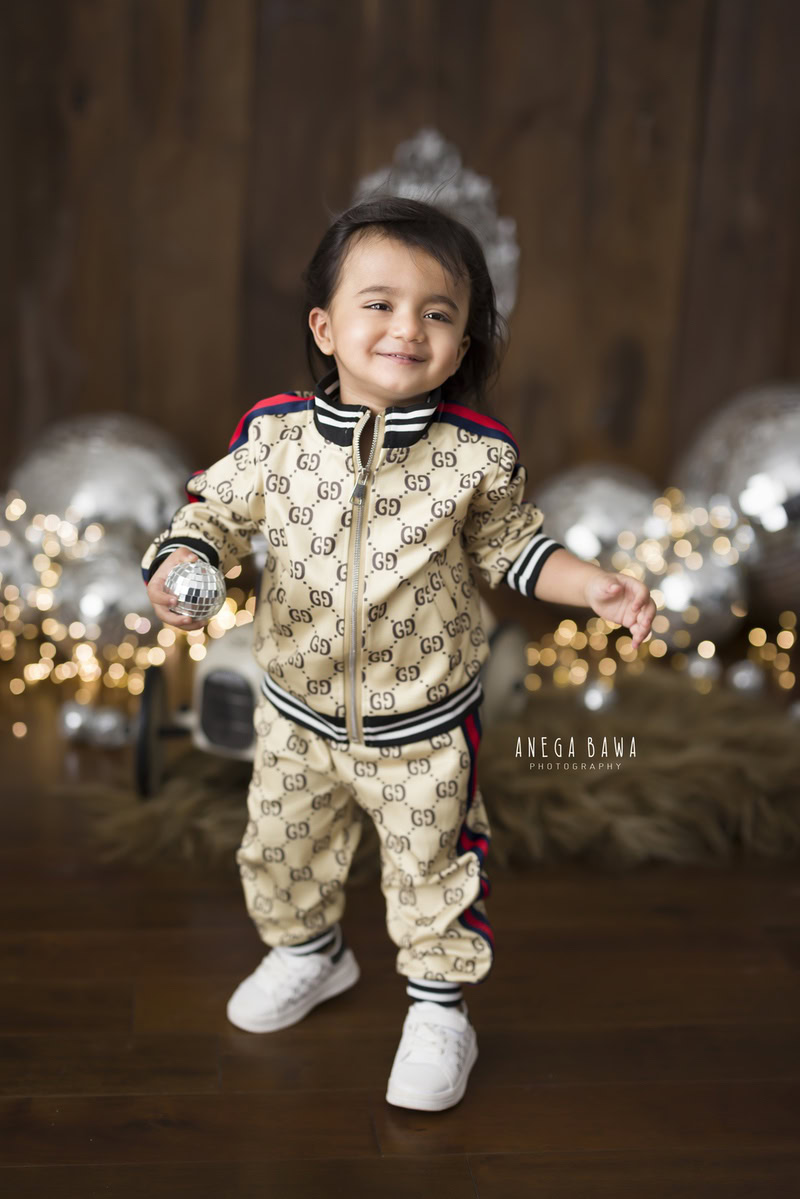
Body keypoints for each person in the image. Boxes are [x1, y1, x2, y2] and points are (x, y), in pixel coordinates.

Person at [142, 195, 655, 1112]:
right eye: (377, 303)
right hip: (296, 714)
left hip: (423, 727)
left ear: (462, 346)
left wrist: (598, 587)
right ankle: (311, 954)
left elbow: (520, 550)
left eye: (438, 312)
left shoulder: (474, 458)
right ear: (325, 326)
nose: (405, 328)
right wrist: (183, 562)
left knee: (432, 868)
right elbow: (209, 516)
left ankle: (438, 1006)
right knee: (281, 850)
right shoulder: (276, 439)